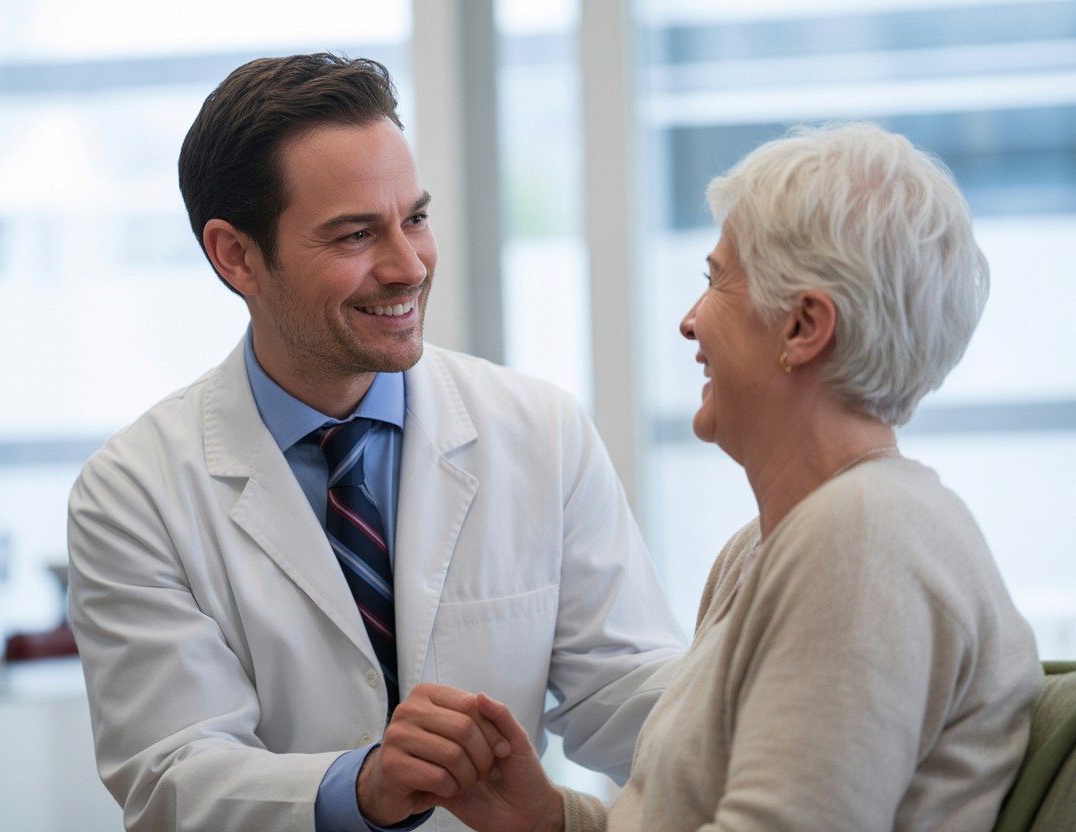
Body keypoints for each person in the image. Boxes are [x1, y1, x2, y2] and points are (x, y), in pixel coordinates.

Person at [66, 52, 687, 832]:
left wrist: (781, 714)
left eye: (415, 219)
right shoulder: (134, 491)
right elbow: (171, 776)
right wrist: (359, 787)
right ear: (236, 255)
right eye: (356, 234)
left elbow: (623, 688)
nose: (408, 266)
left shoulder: (540, 431)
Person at [439, 122, 1043, 832]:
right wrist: (549, 819)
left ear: (803, 328)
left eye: (716, 281)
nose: (690, 322)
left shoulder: (863, 536)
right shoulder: (766, 546)